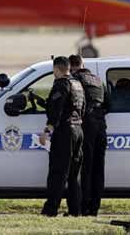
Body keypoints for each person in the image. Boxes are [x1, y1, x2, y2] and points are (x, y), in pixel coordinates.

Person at [40, 56, 85, 217]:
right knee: (73, 176)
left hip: (65, 132)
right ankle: (75, 211)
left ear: (56, 69)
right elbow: (81, 108)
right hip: (78, 130)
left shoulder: (61, 83)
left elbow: (57, 109)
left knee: (58, 173)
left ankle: (50, 210)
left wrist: (48, 130)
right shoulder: (77, 84)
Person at [68, 54, 107, 216]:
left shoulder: (75, 81)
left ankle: (83, 207)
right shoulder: (98, 80)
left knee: (85, 168)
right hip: (101, 126)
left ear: (71, 67)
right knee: (99, 169)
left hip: (87, 127)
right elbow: (108, 104)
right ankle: (94, 208)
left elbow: (73, 103)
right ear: (83, 64)